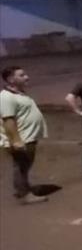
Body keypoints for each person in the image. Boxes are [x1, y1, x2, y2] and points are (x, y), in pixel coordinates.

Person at [1, 66, 49, 204]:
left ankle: (23, 189)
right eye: (22, 75)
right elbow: (8, 121)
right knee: (21, 167)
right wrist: (16, 140)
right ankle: (24, 195)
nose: (26, 77)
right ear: (11, 79)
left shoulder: (19, 94)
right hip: (22, 139)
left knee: (24, 166)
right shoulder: (6, 97)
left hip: (28, 137)